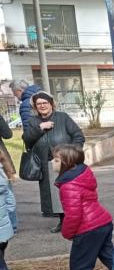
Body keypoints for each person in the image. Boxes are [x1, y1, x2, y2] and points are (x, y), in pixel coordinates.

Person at [51, 144, 114, 270]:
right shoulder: (82, 174)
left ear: (68, 164)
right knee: (108, 255)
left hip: (88, 228)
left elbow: (73, 215)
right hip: (102, 221)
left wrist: (68, 233)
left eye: (57, 160)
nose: (52, 162)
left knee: (79, 264)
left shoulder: (68, 185)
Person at [22, 91, 85, 231]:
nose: (42, 106)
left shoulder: (62, 117)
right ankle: (63, 221)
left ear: (51, 104)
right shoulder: (33, 121)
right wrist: (40, 128)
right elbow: (26, 140)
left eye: (45, 103)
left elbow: (78, 136)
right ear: (35, 107)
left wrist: (71, 155)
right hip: (45, 164)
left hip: (66, 163)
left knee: (71, 192)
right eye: (39, 104)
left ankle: (78, 221)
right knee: (54, 195)